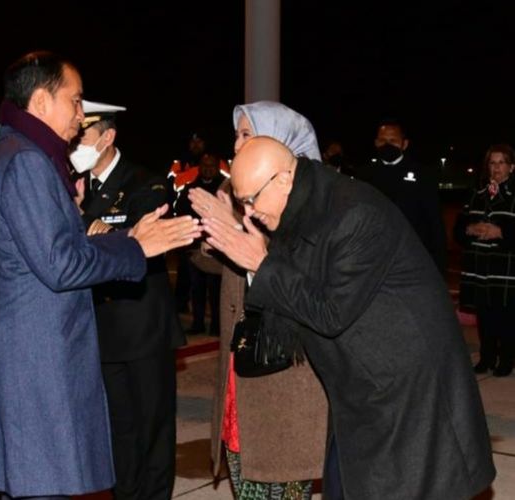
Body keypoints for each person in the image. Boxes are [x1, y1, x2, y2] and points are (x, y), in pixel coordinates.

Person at [201, 135, 496, 499]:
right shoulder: (304, 204)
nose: (249, 212)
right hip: (361, 389)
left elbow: (330, 313)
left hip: (406, 394)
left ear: (283, 179)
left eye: (251, 199)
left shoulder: (353, 214)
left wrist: (262, 263)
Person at [0, 51, 200, 499]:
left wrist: (127, 238)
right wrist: (136, 247)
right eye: (74, 101)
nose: (80, 113)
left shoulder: (23, 153)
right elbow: (61, 265)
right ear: (40, 102)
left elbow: (55, 252)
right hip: (36, 361)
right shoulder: (27, 162)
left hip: (34, 354)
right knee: (41, 485)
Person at [189, 101, 327, 499]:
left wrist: (234, 230)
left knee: (283, 478)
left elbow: (300, 271)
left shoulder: (312, 199)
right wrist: (211, 235)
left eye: (247, 134)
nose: (237, 144)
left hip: (285, 366)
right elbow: (208, 262)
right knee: (243, 475)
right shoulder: (232, 191)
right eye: (236, 135)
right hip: (241, 356)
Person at [72, 100, 184, 500]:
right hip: (98, 328)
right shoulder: (71, 183)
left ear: (107, 137)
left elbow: (143, 235)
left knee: (152, 426)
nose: (74, 141)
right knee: (117, 427)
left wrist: (82, 220)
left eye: (82, 135)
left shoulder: (144, 181)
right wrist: (88, 221)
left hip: (142, 327)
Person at [454, 144, 515, 377]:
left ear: (511, 167)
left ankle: (506, 359)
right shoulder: (476, 194)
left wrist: (500, 232)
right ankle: (487, 357)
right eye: (492, 162)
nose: (496, 167)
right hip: (479, 267)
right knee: (485, 316)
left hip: (506, 269)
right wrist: (470, 228)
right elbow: (459, 230)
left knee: (506, 316)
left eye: (501, 162)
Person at [358, 119, 447, 274]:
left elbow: (435, 222)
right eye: (382, 140)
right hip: (373, 259)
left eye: (393, 141)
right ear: (376, 143)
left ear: (404, 144)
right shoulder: (364, 176)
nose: (387, 145)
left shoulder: (422, 174)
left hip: (411, 258)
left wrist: (439, 265)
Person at [176, 152, 226, 335]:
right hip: (194, 246)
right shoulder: (190, 189)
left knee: (215, 290)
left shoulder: (224, 188)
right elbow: (181, 211)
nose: (207, 169)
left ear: (217, 167)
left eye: (211, 165)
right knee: (196, 288)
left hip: (216, 246)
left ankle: (216, 325)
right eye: (204, 165)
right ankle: (197, 323)